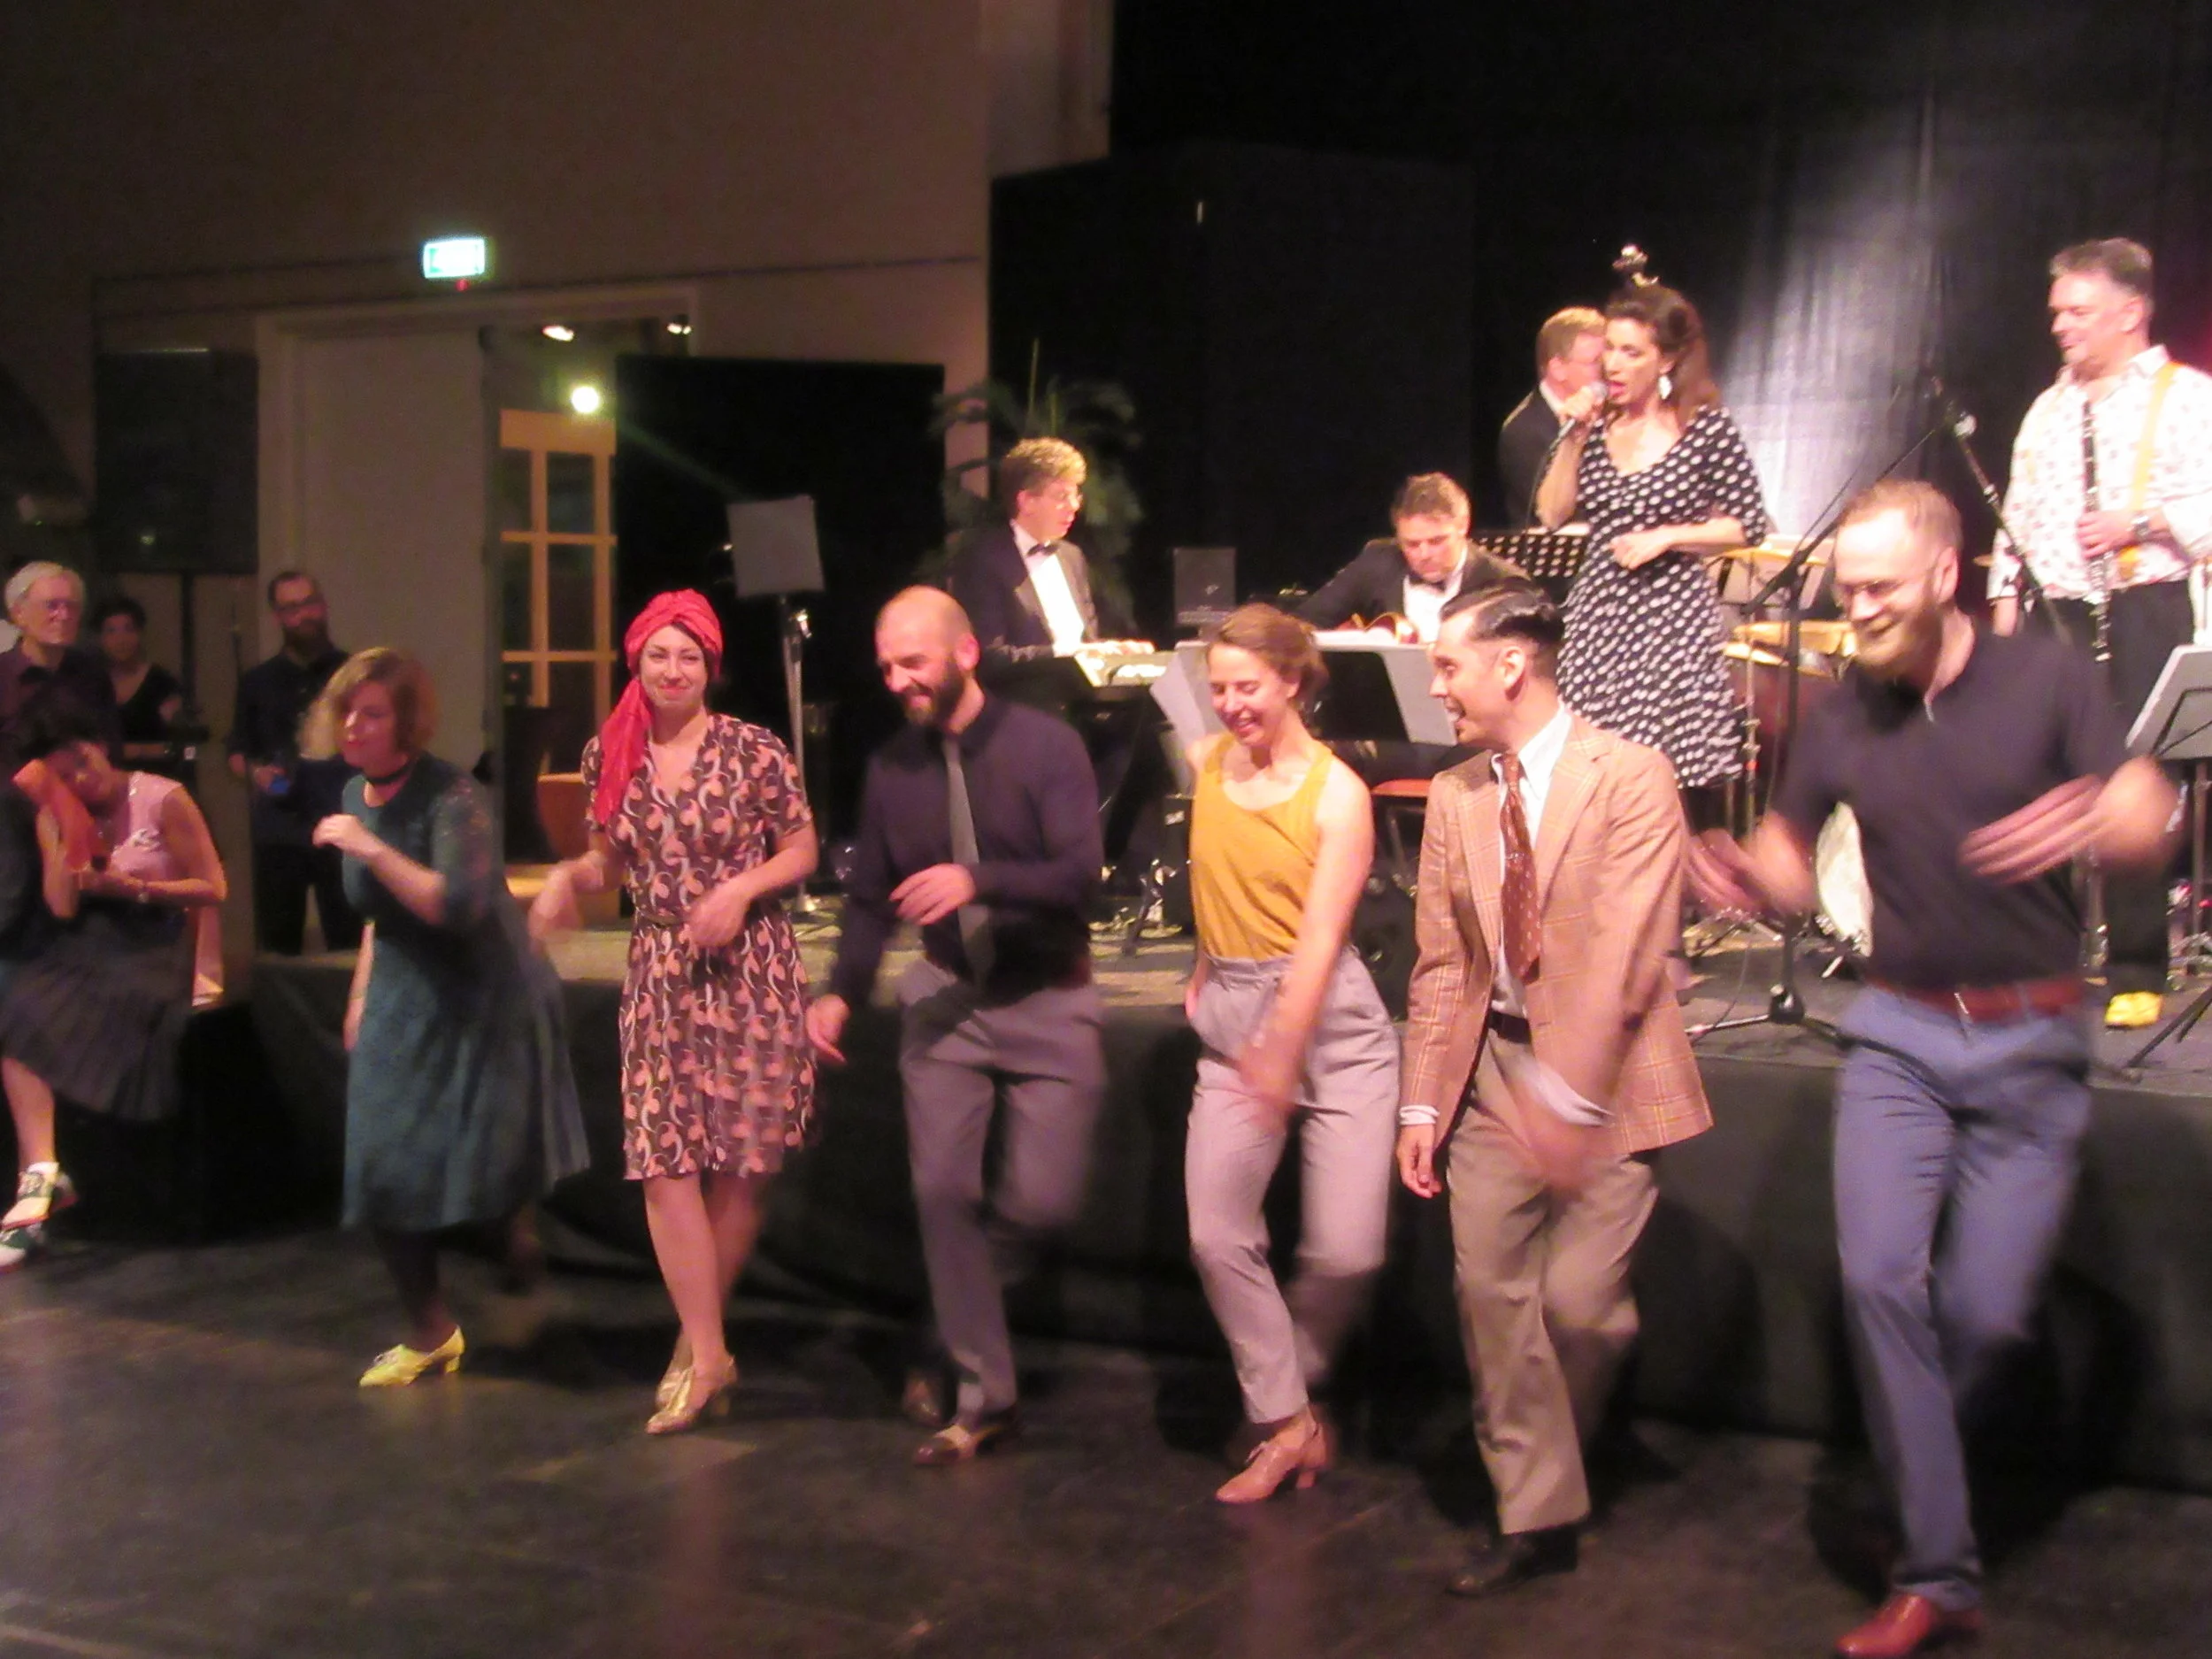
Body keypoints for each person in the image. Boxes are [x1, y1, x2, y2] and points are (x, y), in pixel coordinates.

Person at [1688, 481, 2177, 1659]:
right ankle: (1936, 1569)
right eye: (1845, 588)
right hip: (1898, 1038)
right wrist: (1745, 874)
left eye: (1879, 589)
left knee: (1986, 1317)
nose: (1855, 609)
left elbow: (2148, 812)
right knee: (1878, 1282)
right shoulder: (1841, 715)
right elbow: (1791, 860)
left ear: (1945, 577)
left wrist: (2088, 820)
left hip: (2030, 1047)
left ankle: (1912, 1486)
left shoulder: (2045, 677)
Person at [1394, 582, 1709, 1597]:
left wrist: (1567, 1100)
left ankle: (1568, 1435)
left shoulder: (1630, 776)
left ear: (1510, 665)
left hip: (1608, 1079)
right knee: (1489, 1291)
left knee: (1580, 1310)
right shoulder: (1455, 795)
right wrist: (1421, 1103)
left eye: (1448, 666)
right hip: (1494, 1070)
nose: (1436, 686)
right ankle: (1532, 1515)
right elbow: (1443, 964)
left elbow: (1625, 947)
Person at [805, 587, 1105, 1465]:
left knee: (1043, 1205)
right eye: (886, 668)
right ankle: (985, 1398)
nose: (898, 681)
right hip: (947, 999)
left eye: (914, 662)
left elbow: (1079, 874)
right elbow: (869, 901)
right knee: (943, 1194)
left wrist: (979, 879)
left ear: (965, 653)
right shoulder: (891, 768)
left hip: (1047, 995)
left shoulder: (1045, 746)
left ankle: (945, 1323)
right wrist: (840, 992)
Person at [529, 590, 818, 1434]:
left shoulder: (753, 748)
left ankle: (698, 1346)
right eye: (659, 654)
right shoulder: (609, 750)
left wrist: (740, 888)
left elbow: (801, 846)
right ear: (637, 661)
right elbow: (608, 861)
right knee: (665, 1159)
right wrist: (568, 877)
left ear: (710, 666)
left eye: (689, 655)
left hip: (750, 963)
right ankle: (709, 1349)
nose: (673, 669)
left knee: (742, 1162)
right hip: (661, 967)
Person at [302, 649, 588, 1385]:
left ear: (406, 721)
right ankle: (431, 1331)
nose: (355, 726)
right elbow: (378, 915)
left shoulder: (453, 795)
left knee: (491, 1161)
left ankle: (514, 1231)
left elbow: (455, 906)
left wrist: (370, 846)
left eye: (372, 713)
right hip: (404, 986)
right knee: (380, 1159)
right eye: (347, 712)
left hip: (483, 989)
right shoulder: (354, 792)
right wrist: (360, 995)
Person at [1181, 604, 1400, 1502]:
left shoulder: (1338, 794)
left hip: (1332, 1027)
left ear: (1293, 682)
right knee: (1216, 1232)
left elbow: (1318, 942)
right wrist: (1205, 971)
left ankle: (1292, 1390)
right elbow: (1213, 879)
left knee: (1349, 1254)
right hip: (1235, 1012)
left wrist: (1281, 1044)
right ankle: (1284, 1421)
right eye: (1219, 687)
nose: (1231, 703)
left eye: (1248, 687)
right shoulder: (1204, 762)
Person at [1987, 238, 2212, 1029]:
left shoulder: (2186, 398)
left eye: (2078, 311)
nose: (2061, 325)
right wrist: (2004, 604)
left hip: (2145, 605)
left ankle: (2138, 968)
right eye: (2058, 312)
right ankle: (2043, 961)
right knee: (2041, 781)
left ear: (2130, 312)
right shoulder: (2048, 407)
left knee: (2133, 787)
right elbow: (2016, 514)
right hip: (2055, 611)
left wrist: (2139, 522)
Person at [0, 695, 227, 1271]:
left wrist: (138, 890)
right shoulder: (64, 809)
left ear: (101, 744)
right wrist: (55, 827)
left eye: (83, 760)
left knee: (31, 1002)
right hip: (100, 946)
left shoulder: (162, 796)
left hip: (157, 945)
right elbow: (61, 905)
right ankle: (41, 1172)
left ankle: (39, 1183)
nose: (81, 778)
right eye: (64, 773)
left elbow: (214, 887)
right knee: (14, 998)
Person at [1535, 284, 1771, 814]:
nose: (1613, 364)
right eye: (1609, 349)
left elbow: (1748, 524)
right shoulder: (1594, 428)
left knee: (1661, 779)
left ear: (1665, 360)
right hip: (1600, 619)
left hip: (1670, 622)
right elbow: (1551, 513)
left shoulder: (1704, 426)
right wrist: (1574, 437)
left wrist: (1668, 536)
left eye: (1631, 352)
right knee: (1589, 774)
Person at [227, 570, 361, 955]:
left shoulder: (354, 675)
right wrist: (255, 774)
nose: (303, 616)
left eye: (308, 603)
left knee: (349, 944)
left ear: (323, 605)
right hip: (279, 829)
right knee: (277, 946)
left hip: (342, 823)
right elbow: (236, 751)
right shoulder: (257, 681)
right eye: (290, 608)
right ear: (277, 617)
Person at [947, 436, 1146, 681]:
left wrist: (1114, 651)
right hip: (1022, 698)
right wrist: (1066, 654)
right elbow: (990, 658)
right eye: (1062, 496)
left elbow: (1084, 645)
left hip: (1080, 697)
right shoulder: (983, 561)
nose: (1074, 506)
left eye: (1076, 495)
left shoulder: (1072, 556)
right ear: (1027, 502)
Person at [1297, 473, 1524, 643]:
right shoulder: (1377, 562)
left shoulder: (1504, 582)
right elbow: (1302, 622)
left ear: (1463, 525)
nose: (1424, 555)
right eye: (1412, 544)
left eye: (1436, 541)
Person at [0, 563, 119, 769]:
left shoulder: (92, 677)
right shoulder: (4, 676)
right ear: (19, 613)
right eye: (51, 605)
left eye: (72, 606)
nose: (64, 616)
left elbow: (112, 751)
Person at [1498, 308, 1607, 526]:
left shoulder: (1607, 412)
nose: (1609, 369)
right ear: (1558, 369)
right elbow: (1555, 517)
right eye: (1596, 362)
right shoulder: (1524, 432)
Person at [94, 595, 188, 780]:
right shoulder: (91, 682)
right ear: (100, 638)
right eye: (111, 631)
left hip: (155, 778)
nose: (121, 640)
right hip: (104, 779)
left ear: (140, 634)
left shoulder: (162, 683)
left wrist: (131, 750)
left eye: (128, 630)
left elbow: (176, 746)